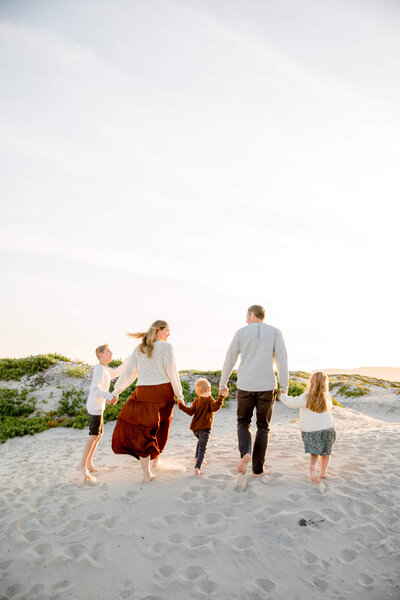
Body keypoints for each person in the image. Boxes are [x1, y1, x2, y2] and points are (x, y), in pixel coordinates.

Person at [219, 304, 288, 478]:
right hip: (266, 386)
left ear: (252, 315)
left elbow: (230, 359)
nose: (245, 319)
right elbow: (282, 361)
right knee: (263, 427)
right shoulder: (275, 332)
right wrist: (284, 386)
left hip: (245, 386)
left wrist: (223, 383)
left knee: (243, 422)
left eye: (246, 315)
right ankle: (258, 469)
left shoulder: (241, 332)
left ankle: (245, 453)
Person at [110, 320, 184, 482]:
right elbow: (172, 372)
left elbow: (129, 373)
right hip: (163, 392)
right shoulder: (167, 347)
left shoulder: (139, 348)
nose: (169, 334)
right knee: (161, 427)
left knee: (144, 431)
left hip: (143, 392)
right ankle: (154, 463)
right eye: (167, 330)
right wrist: (180, 395)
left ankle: (147, 472)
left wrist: (116, 391)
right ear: (159, 330)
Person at [76, 344, 127, 482]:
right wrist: (109, 396)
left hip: (99, 407)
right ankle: (82, 465)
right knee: (93, 436)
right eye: (108, 351)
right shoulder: (99, 369)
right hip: (94, 407)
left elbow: (117, 371)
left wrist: (131, 358)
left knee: (98, 435)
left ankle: (88, 463)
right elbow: (95, 389)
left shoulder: (105, 369)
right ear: (100, 354)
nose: (111, 353)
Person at [279, 371, 336, 483]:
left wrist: (283, 396)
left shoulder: (306, 396)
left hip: (311, 431)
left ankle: (312, 466)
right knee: (326, 452)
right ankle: (323, 472)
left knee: (314, 452)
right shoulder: (327, 396)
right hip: (328, 429)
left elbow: (292, 403)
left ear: (311, 382)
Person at [177, 378, 224, 475]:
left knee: (200, 442)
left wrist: (182, 406)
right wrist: (221, 397)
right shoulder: (210, 400)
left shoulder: (196, 401)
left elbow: (190, 412)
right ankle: (197, 467)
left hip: (195, 430)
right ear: (209, 389)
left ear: (198, 393)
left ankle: (196, 458)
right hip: (205, 430)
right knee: (202, 448)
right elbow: (215, 407)